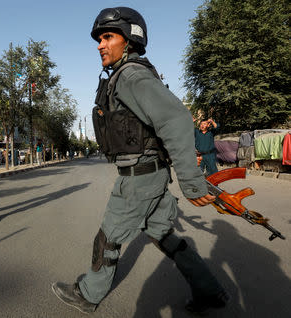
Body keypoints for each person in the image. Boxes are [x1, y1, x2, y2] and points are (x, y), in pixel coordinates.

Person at [52, 7, 229, 315]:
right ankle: (209, 290)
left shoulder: (131, 75)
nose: (100, 45)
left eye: (108, 37)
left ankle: (89, 294)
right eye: (99, 39)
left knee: (108, 239)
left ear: (129, 40)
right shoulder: (127, 74)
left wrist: (191, 181)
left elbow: (175, 118)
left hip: (139, 179)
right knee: (163, 234)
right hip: (150, 174)